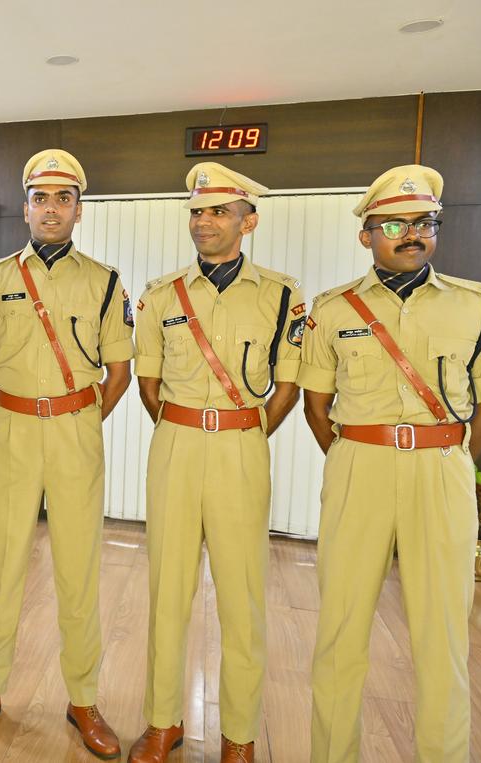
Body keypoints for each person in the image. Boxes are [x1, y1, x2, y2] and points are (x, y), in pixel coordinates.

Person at [299, 165, 481, 763]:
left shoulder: (477, 305)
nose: (411, 234)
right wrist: (357, 457)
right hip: (358, 467)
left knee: (442, 636)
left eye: (424, 223)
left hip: (441, 470)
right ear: (367, 234)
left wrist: (444, 461)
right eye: (394, 223)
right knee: (340, 631)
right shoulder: (332, 310)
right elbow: (318, 406)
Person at [0, 148, 133, 759]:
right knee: (1, 568)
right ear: (25, 207)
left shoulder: (105, 281)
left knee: (78, 571)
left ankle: (84, 700)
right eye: (40, 198)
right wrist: (9, 412)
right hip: (14, 433)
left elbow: (119, 371)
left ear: (79, 210)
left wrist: (78, 417)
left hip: (75, 432)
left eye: (63, 198)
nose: (50, 209)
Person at [129, 163, 303, 763]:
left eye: (219, 212)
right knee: (167, 591)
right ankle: (161, 722)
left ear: (247, 221)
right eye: (197, 212)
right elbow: (147, 384)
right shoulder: (158, 295)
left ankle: (239, 736)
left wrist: (241, 432)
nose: (204, 222)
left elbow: (288, 386)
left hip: (241, 448)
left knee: (242, 596)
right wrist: (187, 428)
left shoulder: (283, 294)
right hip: (175, 445)